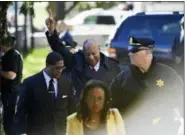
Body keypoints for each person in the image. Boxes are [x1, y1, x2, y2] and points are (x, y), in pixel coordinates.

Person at [109, 36, 183, 135]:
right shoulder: (122, 79)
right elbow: (111, 108)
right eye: (130, 51)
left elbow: (181, 100)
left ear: (148, 53)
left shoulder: (168, 75)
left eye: (135, 51)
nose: (130, 54)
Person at [45, 9, 121, 105]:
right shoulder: (76, 60)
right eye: (87, 54)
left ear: (99, 49)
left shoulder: (112, 66)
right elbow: (60, 49)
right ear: (83, 53)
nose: (91, 57)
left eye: (94, 53)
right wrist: (52, 31)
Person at [15, 52, 75, 135]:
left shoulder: (66, 82)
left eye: (62, 68)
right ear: (48, 66)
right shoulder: (30, 83)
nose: (60, 71)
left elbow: (71, 108)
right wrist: (21, 132)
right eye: (57, 68)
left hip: (61, 131)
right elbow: (21, 110)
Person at [0, 34, 23, 135]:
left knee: (9, 120)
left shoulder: (11, 56)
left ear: (5, 45)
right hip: (12, 92)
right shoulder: (14, 54)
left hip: (11, 92)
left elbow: (12, 75)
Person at [172, 16, 184, 80]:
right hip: (176, 64)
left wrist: (181, 57)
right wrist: (175, 57)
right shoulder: (177, 36)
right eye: (183, 24)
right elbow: (173, 48)